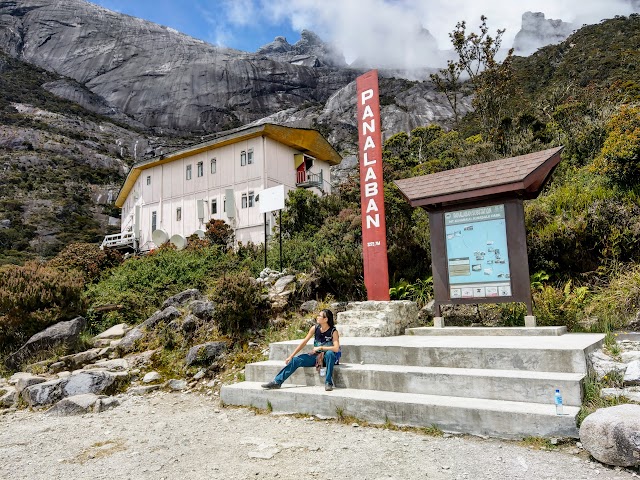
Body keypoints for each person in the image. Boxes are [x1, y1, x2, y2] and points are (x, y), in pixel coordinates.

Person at [261, 308, 340, 391]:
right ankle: (277, 382)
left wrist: (321, 348)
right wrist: (291, 356)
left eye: (319, 316)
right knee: (296, 360)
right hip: (316, 357)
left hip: (328, 358)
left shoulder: (333, 331)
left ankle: (328, 382)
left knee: (330, 353)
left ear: (326, 319)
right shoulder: (315, 328)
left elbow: (336, 348)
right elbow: (304, 342)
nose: (317, 317)